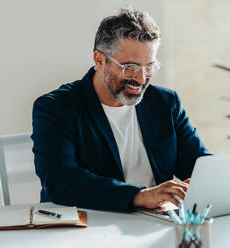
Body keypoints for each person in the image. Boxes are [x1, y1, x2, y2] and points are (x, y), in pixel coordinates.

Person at [31, 7, 210, 212]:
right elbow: (60, 181)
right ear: (100, 60)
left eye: (149, 67)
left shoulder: (165, 102)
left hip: (157, 224)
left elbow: (200, 167)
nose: (141, 79)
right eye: (130, 67)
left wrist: (227, 183)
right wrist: (139, 196)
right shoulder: (56, 107)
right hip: (88, 227)